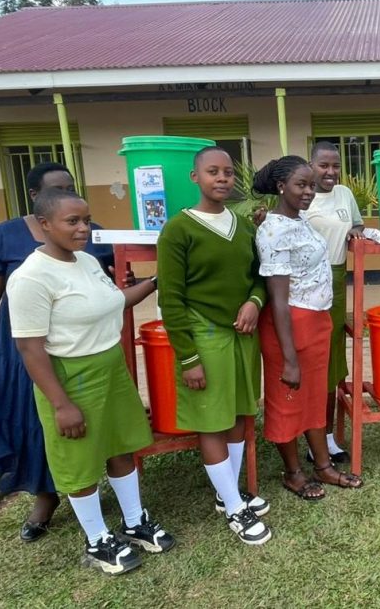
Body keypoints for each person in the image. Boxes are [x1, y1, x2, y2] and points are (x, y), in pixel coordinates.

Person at [7, 189, 174, 575]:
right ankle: (97, 539)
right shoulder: (31, 277)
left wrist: (155, 282)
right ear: (44, 224)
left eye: (85, 220)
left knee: (121, 447)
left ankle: (134, 521)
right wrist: (61, 404)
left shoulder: (85, 261)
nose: (83, 228)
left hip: (110, 368)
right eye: (72, 221)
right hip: (70, 377)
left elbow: (115, 301)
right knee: (79, 463)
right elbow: (30, 348)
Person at [0, 162, 117, 542]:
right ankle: (45, 496)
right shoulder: (7, 235)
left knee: (85, 422)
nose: (66, 195)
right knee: (33, 421)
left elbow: (111, 282)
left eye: (70, 187)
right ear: (35, 197)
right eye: (57, 189)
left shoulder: (90, 233)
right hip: (24, 347)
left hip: (80, 348)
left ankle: (90, 487)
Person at [157, 146, 271, 545]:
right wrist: (188, 358)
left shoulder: (244, 227)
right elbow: (170, 299)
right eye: (212, 172)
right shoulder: (178, 229)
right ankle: (235, 508)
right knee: (212, 420)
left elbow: (260, 276)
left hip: (242, 336)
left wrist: (254, 302)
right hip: (203, 335)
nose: (222, 178)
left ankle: (229, 494)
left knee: (239, 413)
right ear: (195, 177)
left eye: (227, 172)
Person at [253, 155, 363, 501]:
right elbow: (278, 299)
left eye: (311, 186)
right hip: (290, 326)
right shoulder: (273, 230)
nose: (308, 192)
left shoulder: (299, 221)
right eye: (301, 185)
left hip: (316, 321)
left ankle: (323, 465)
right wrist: (289, 358)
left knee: (315, 398)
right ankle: (293, 473)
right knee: (287, 400)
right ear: (280, 186)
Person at [302, 141, 365, 463]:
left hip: (337, 281)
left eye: (335, 166)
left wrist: (355, 231)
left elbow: (357, 224)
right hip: (306, 282)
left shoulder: (344, 194)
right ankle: (309, 434)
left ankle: (326, 436)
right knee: (311, 361)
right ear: (311, 165)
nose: (330, 172)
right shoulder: (301, 195)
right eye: (323, 165)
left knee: (332, 360)